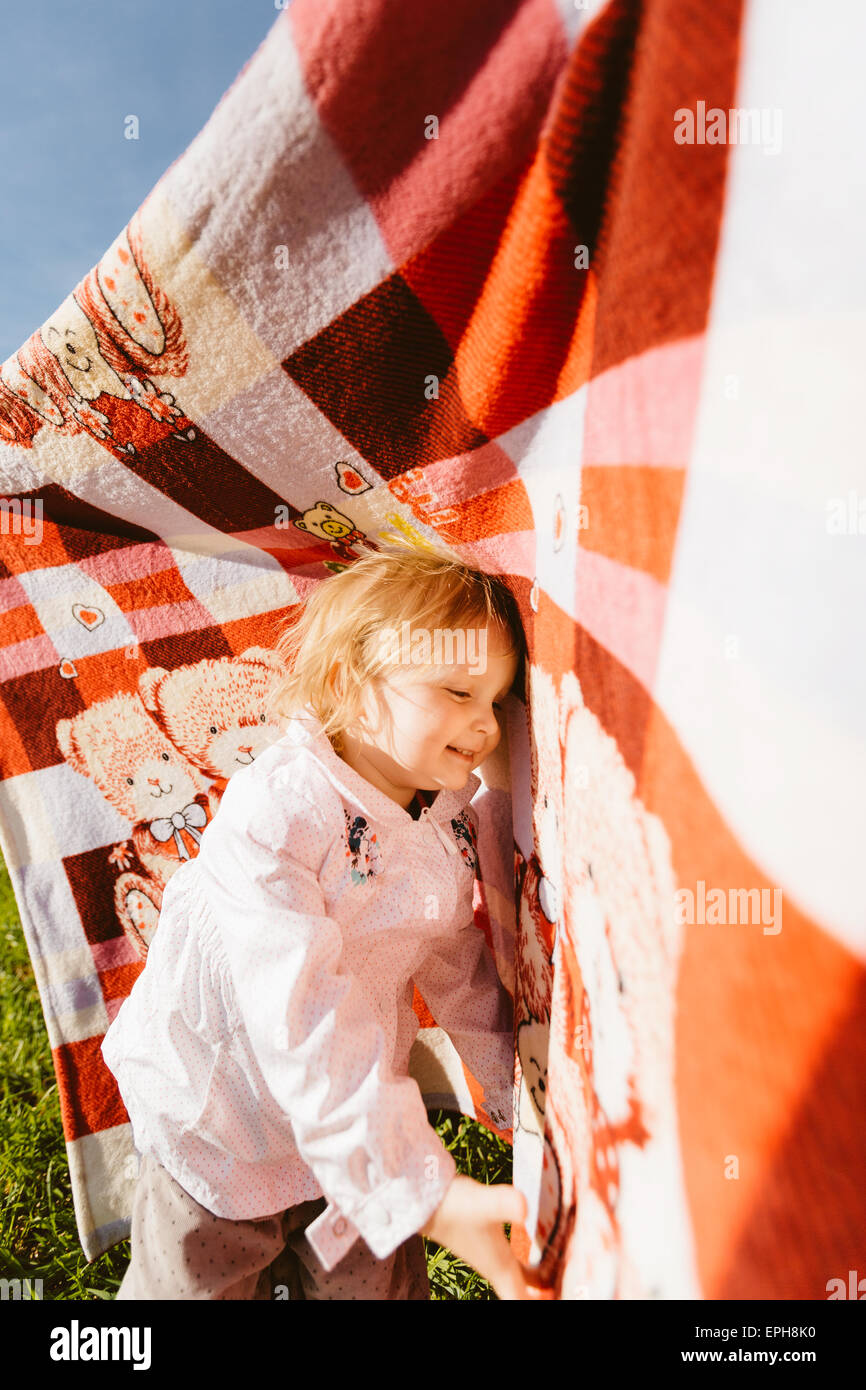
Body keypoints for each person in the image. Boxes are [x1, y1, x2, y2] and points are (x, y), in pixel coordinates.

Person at [102, 540, 536, 1300]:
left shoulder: (443, 820)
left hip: (355, 1118)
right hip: (221, 1128)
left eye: (497, 700)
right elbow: (298, 1012)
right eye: (458, 691)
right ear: (351, 685)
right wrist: (416, 1188)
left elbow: (454, 963)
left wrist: (516, 1094)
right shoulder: (275, 814)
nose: (488, 726)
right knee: (198, 1286)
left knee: (377, 1290)